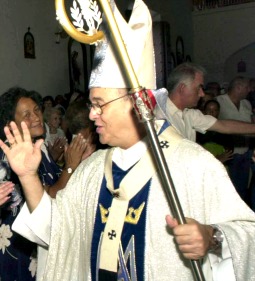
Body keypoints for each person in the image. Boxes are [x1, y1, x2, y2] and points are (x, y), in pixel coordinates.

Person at [2, 1, 255, 281]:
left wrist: (213, 237)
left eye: (100, 104)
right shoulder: (93, 169)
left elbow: (246, 234)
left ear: (139, 103)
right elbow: (57, 231)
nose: (92, 114)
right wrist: (28, 176)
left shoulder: (192, 165)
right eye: (91, 104)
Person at [0, 87, 88, 280]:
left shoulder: (39, 146)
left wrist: (59, 162)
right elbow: (48, 197)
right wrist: (70, 167)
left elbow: (52, 180)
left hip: (41, 241)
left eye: (36, 110)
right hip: (20, 247)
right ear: (11, 125)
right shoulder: (7, 157)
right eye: (26, 115)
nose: (37, 117)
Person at [154, 62, 255, 143]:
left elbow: (224, 125)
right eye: (199, 88)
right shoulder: (159, 116)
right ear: (183, 88)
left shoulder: (189, 114)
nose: (202, 94)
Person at [216, 76, 253, 202]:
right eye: (247, 87)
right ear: (239, 87)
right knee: (230, 190)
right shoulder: (219, 102)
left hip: (246, 152)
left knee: (243, 189)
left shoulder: (246, 103)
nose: (250, 90)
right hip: (229, 154)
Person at [197, 99, 233, 164]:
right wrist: (216, 159)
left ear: (218, 112)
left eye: (215, 110)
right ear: (204, 111)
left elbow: (228, 153)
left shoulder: (224, 129)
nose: (212, 112)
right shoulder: (198, 130)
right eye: (209, 110)